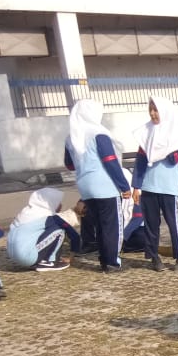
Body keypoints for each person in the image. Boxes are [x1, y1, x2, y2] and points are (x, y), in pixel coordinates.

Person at [63, 99, 131, 273]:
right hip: (105, 186)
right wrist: (124, 186)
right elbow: (110, 161)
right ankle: (112, 263)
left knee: (99, 226)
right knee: (112, 226)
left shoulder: (72, 137)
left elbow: (69, 165)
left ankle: (104, 261)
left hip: (85, 187)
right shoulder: (99, 133)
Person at [131, 96, 178, 272]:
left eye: (156, 110)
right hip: (149, 187)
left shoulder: (175, 133)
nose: (153, 113)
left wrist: (161, 143)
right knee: (151, 224)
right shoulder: (146, 133)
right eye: (151, 110)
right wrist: (136, 186)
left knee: (174, 222)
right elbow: (140, 161)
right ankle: (153, 256)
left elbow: (173, 159)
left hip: (169, 187)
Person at [6, 187, 79, 272]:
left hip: (14, 257)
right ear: (50, 202)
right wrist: (71, 257)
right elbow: (74, 236)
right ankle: (50, 262)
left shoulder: (25, 213)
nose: (61, 205)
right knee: (60, 230)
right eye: (58, 202)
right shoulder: (50, 217)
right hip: (28, 257)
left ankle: (40, 260)